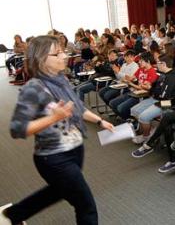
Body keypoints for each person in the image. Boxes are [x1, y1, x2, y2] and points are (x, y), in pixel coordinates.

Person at [1, 36, 114, 225]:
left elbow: (77, 107)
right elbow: (17, 129)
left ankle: (15, 214)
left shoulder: (61, 80)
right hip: (53, 158)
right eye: (58, 53)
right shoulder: (33, 88)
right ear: (42, 59)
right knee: (86, 206)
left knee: (57, 191)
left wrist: (100, 121)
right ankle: (16, 214)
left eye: (62, 50)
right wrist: (54, 117)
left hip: (75, 150)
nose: (64, 55)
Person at [130, 54, 175, 146]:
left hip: (167, 103)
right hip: (157, 99)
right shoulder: (163, 74)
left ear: (164, 64)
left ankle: (146, 136)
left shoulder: (172, 77)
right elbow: (157, 88)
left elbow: (164, 95)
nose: (156, 65)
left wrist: (152, 90)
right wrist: (150, 87)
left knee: (143, 117)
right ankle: (152, 129)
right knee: (134, 110)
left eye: (158, 63)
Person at [109, 52, 159, 120]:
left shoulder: (152, 72)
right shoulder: (141, 69)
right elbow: (131, 78)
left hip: (142, 95)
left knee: (121, 108)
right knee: (112, 103)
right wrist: (121, 75)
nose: (139, 62)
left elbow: (144, 89)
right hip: (134, 92)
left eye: (141, 61)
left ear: (148, 61)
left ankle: (131, 120)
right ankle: (126, 118)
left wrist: (130, 83)